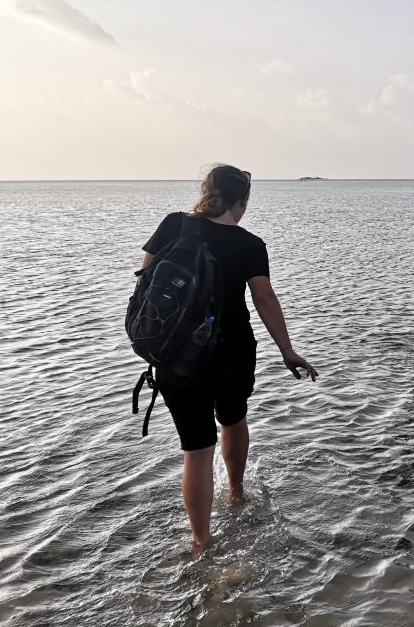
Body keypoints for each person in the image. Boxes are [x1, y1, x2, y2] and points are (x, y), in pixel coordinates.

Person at [139, 164, 316, 549]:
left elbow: (146, 280)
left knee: (196, 451)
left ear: (206, 191)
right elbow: (264, 297)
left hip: (176, 356)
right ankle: (236, 494)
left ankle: (201, 542)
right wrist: (287, 350)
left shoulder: (174, 225)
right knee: (233, 421)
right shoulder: (249, 244)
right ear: (243, 201)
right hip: (231, 351)